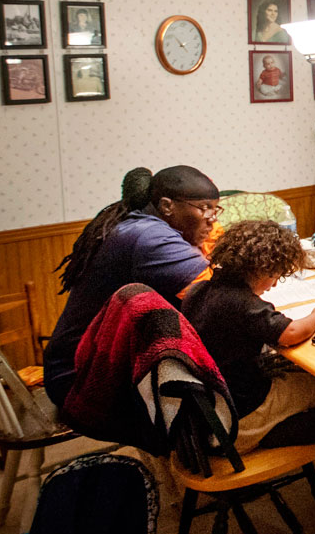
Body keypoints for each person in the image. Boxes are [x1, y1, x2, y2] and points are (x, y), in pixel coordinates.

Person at [45, 166, 221, 409]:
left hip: (83, 366)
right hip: (83, 381)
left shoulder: (138, 223)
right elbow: (218, 300)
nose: (213, 218)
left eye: (215, 208)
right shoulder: (151, 237)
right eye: (204, 208)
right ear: (167, 206)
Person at [179, 221, 315, 452]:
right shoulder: (242, 303)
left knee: (293, 375)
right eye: (276, 276)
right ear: (264, 269)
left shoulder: (198, 291)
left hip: (209, 405)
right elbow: (290, 333)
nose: (273, 285)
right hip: (238, 411)